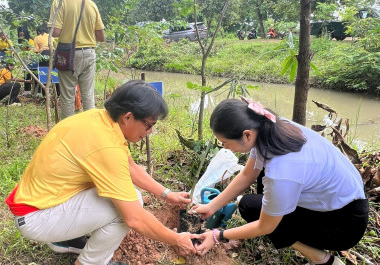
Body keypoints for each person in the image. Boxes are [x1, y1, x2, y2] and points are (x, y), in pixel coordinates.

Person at [5, 80, 196, 265]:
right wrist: (177, 239)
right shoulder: (106, 147)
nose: (150, 131)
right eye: (148, 124)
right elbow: (135, 218)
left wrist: (166, 194)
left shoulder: (101, 120)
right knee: (127, 208)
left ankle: (65, 240)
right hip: (36, 216)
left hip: (42, 201)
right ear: (128, 117)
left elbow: (130, 167)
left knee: (127, 197)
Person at [190, 97, 368, 265]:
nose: (224, 147)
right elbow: (247, 175)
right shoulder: (269, 126)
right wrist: (212, 206)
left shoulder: (282, 171)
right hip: (342, 200)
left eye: (225, 142)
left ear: (246, 135)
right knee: (256, 199)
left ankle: (323, 259)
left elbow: (264, 226)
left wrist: (217, 236)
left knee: (249, 207)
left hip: (343, 224)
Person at [48, 0, 105, 120]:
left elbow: (55, 32)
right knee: (88, 96)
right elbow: (101, 37)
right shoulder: (91, 4)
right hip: (89, 53)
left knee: (68, 97)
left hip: (69, 55)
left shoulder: (59, 0)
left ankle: (69, 134)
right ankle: (90, 131)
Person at [17, 27, 34, 96]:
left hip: (32, 58)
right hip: (25, 59)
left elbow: (32, 50)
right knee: (26, 74)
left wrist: (28, 57)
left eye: (23, 35)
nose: (21, 36)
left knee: (34, 74)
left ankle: (36, 90)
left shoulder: (30, 40)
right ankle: (27, 90)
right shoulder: (20, 41)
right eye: (20, 35)